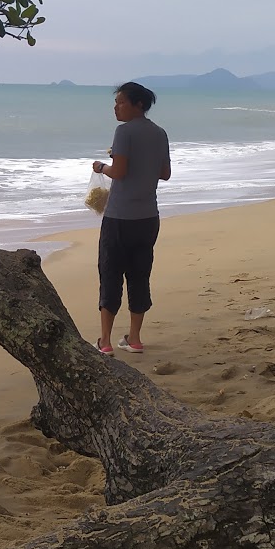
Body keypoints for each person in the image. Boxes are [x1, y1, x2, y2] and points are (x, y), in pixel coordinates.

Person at [91, 81, 172, 355]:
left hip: (119, 218)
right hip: (148, 217)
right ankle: (134, 339)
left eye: (121, 102)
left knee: (110, 274)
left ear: (139, 105)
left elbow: (120, 172)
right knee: (140, 275)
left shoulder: (123, 132)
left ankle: (105, 342)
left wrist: (103, 166)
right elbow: (164, 173)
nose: (116, 107)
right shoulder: (160, 133)